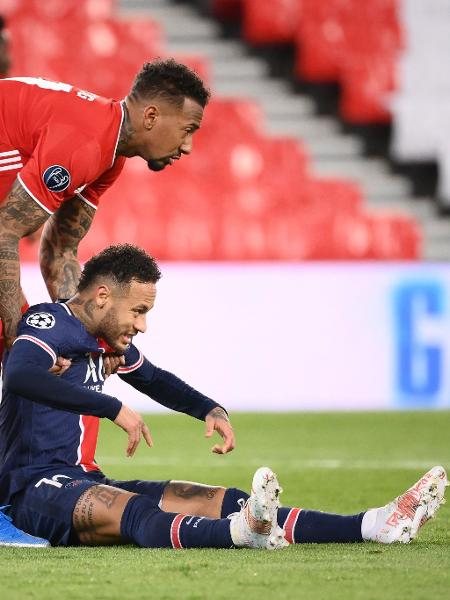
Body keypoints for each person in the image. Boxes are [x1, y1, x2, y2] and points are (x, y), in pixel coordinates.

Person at [0, 244, 447, 549]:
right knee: (135, 512)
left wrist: (207, 408)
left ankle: (375, 524)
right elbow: (19, 374)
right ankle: (238, 535)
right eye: (138, 311)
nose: (141, 325)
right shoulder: (50, 323)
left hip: (85, 477)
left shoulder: (105, 343)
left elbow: (153, 378)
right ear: (102, 296)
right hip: (32, 488)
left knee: (216, 498)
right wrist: (111, 406)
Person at [0, 58, 209, 352]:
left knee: (46, 353)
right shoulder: (85, 144)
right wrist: (16, 336)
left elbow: (60, 250)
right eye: (188, 129)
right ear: (151, 117)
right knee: (22, 345)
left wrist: (88, 334)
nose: (187, 146)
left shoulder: (110, 155)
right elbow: (3, 234)